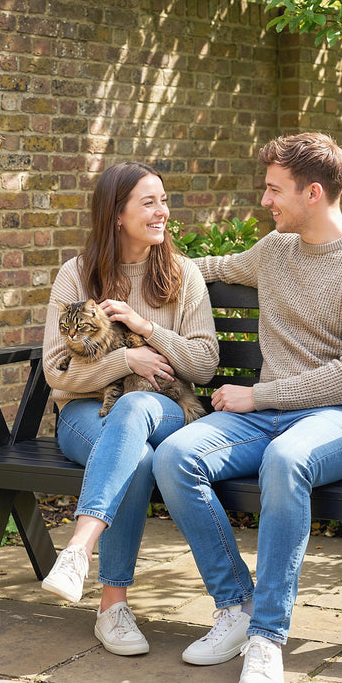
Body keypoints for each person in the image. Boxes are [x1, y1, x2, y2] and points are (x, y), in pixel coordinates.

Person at [153, 132, 342, 683]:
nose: (264, 200)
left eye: (274, 190)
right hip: (269, 415)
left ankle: (268, 637)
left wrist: (258, 395)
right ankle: (237, 606)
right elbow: (212, 267)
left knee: (285, 459)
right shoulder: (275, 250)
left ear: (312, 193)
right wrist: (137, 261)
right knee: (173, 456)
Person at [41, 161, 219, 656]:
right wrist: (123, 358)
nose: (162, 212)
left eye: (164, 200)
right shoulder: (76, 275)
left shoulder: (182, 276)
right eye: (149, 202)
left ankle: (78, 550)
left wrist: (146, 330)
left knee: (137, 405)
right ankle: (112, 608)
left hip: (162, 407)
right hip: (86, 415)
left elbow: (203, 366)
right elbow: (57, 372)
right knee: (135, 458)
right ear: (116, 214)